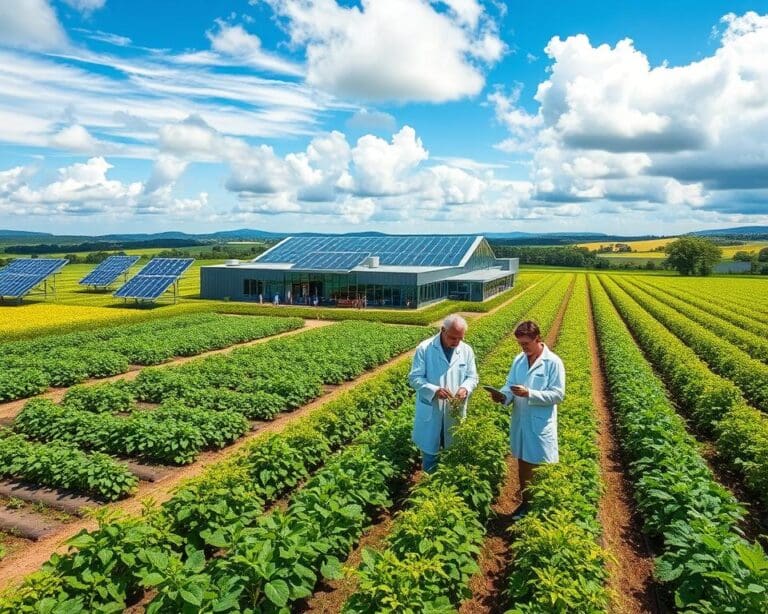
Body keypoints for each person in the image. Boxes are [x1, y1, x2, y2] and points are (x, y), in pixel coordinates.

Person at [487, 320, 565, 520]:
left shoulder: (553, 362)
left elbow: (558, 395)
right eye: (520, 344)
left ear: (537, 339)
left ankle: (542, 509)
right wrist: (503, 396)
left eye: (526, 344)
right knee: (523, 464)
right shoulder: (519, 360)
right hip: (521, 421)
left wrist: (530, 393)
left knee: (541, 465)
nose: (523, 348)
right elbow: (510, 385)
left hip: (539, 424)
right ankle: (526, 504)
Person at [408, 314, 479, 473]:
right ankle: (429, 486)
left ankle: (447, 487)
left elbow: (472, 376)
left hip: (454, 410)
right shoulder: (425, 348)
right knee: (430, 454)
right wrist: (434, 390)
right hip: (432, 409)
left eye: (460, 338)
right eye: (453, 338)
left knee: (453, 453)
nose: (456, 342)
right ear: (442, 330)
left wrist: (465, 388)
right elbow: (414, 378)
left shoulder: (466, 350)